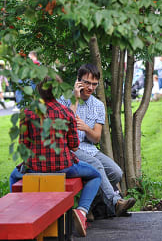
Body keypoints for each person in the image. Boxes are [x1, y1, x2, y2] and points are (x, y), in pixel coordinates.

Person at [9, 76, 101, 237]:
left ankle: (17, 210)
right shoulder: (66, 113)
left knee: (13, 177)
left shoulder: (28, 113)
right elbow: (74, 145)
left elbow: (24, 145)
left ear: (39, 91)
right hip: (64, 167)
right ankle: (82, 211)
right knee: (96, 176)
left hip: (34, 168)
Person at [59, 64, 136, 218]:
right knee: (97, 166)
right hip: (70, 148)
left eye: (94, 84)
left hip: (89, 148)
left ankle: (92, 206)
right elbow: (63, 129)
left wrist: (86, 128)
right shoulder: (64, 100)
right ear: (78, 81)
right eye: (87, 83)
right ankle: (116, 202)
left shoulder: (98, 105)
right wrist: (75, 98)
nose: (90, 87)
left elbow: (96, 138)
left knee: (116, 172)